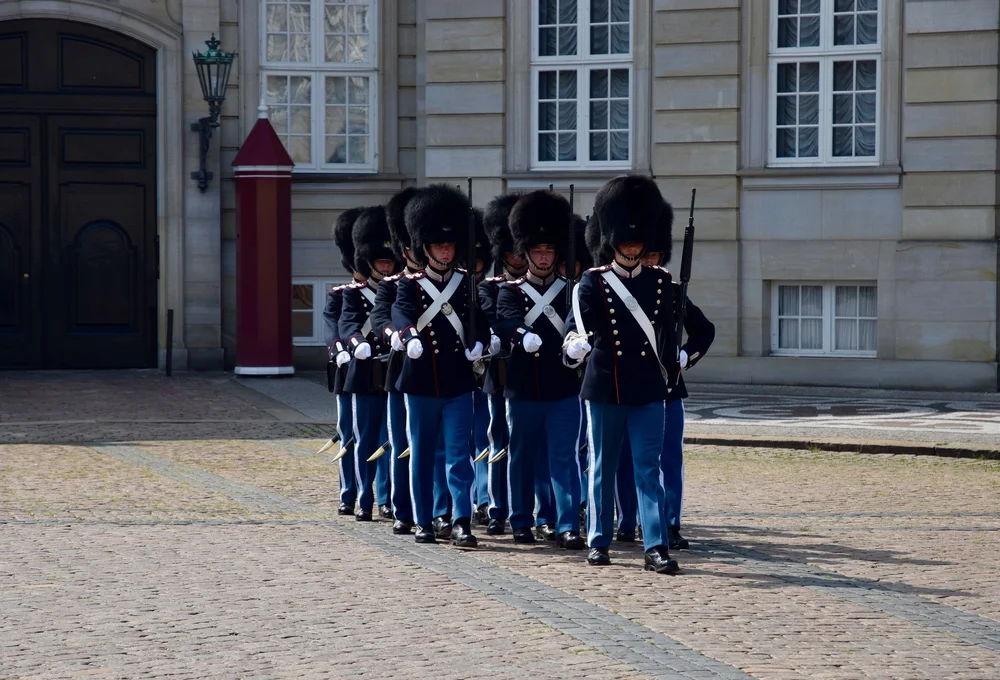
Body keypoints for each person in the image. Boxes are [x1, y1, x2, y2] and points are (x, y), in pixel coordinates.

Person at [562, 174, 680, 574]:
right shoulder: (592, 282)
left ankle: (656, 544)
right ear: (611, 241)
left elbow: (671, 327)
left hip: (647, 386)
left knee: (649, 468)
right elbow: (581, 322)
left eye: (637, 241)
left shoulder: (662, 282)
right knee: (602, 466)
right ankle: (598, 540)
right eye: (625, 241)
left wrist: (678, 354)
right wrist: (575, 344)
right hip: (606, 385)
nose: (632, 246)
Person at [391, 184, 490, 547]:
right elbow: (401, 312)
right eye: (438, 245)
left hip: (458, 382)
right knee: (421, 455)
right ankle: (424, 520)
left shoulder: (467, 283)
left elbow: (480, 318)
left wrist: (481, 340)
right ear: (425, 248)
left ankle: (461, 519)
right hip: (419, 382)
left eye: (449, 245)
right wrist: (407, 336)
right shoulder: (412, 286)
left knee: (458, 455)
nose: (445, 250)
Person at [497, 190, 586, 549]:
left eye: (550, 250)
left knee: (563, 459)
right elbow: (506, 320)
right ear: (526, 252)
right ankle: (521, 519)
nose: (545, 256)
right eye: (538, 250)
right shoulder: (512, 291)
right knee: (521, 457)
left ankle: (563, 523)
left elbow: (580, 322)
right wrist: (522, 334)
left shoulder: (572, 291)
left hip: (563, 387)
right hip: (522, 389)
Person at [339, 205, 401, 521]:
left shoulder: (401, 291)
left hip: (393, 372)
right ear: (369, 263)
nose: (387, 267)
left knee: (390, 440)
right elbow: (347, 323)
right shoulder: (354, 294)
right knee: (364, 440)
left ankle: (388, 498)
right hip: (364, 373)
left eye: (391, 262)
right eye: (381, 262)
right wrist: (357, 343)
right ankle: (364, 498)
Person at [477, 192, 527, 535]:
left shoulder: (547, 286)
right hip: (503, 375)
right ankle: (497, 508)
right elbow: (490, 318)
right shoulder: (491, 288)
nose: (517, 259)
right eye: (511, 253)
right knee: (499, 443)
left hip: (540, 376)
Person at [372, 186, 421, 534]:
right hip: (403, 371)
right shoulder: (392, 284)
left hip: (442, 374)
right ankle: (402, 508)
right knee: (402, 445)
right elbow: (380, 318)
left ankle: (438, 509)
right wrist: (395, 335)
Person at [325, 207, 364, 516]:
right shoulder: (340, 295)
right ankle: (348, 492)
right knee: (349, 434)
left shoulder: (389, 291)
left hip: (382, 371)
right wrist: (339, 350)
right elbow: (332, 329)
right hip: (350, 371)